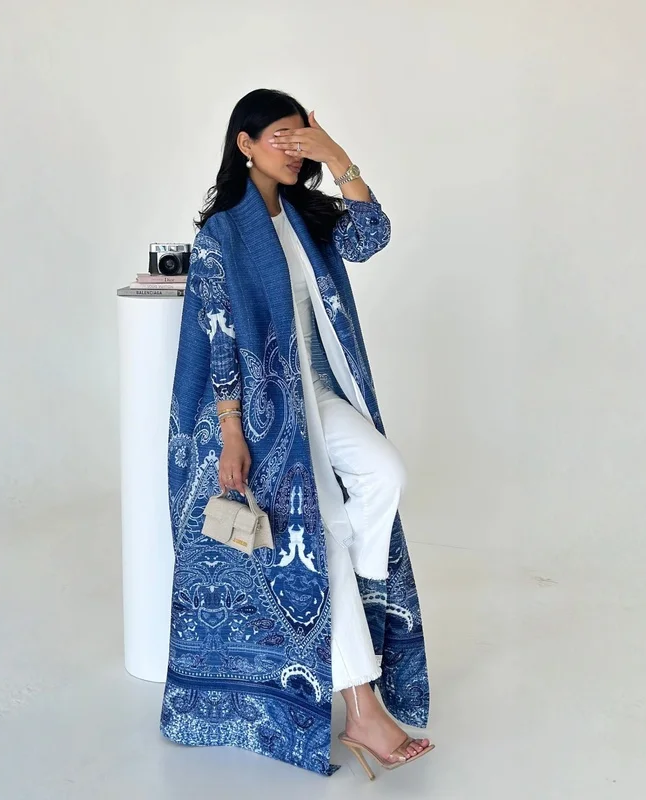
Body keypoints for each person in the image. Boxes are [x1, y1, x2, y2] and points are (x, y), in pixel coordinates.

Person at [161, 88, 432, 779]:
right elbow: (219, 335)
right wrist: (232, 431)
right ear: (245, 144)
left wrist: (336, 155)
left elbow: (372, 235)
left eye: (298, 136)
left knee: (384, 474)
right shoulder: (223, 234)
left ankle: (356, 601)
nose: (291, 149)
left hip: (320, 396)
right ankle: (363, 711)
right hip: (263, 412)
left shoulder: (308, 216)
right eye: (278, 136)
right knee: (324, 536)